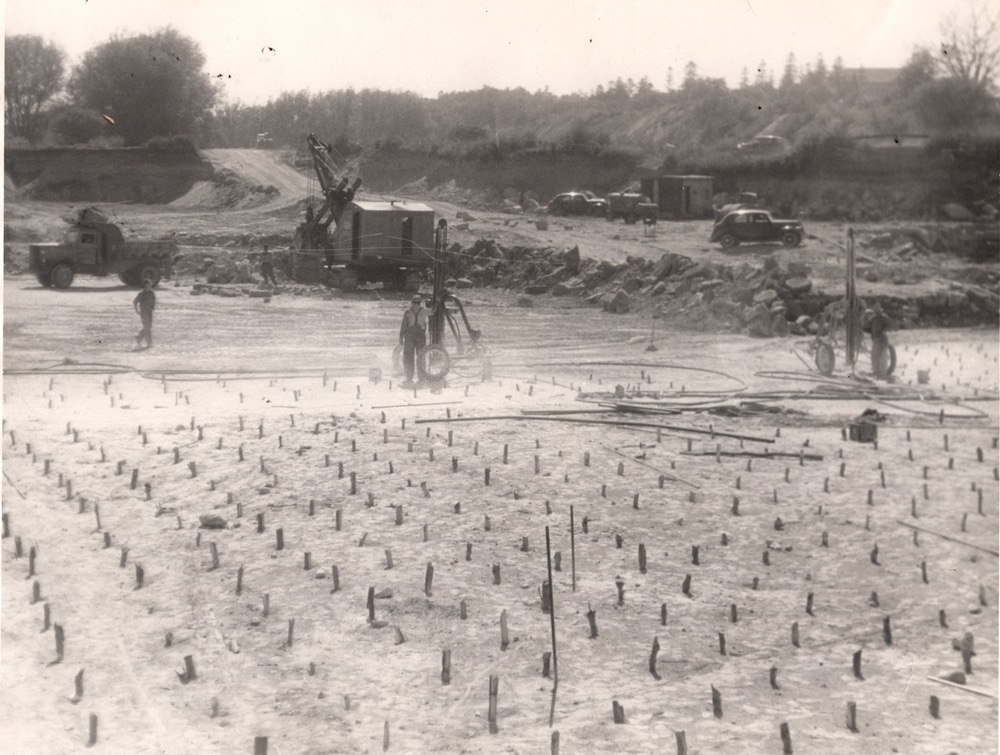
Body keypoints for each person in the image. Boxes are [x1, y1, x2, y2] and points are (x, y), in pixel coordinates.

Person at [399, 294, 427, 387]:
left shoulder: (424, 311)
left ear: (419, 303)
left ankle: (421, 378)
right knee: (408, 358)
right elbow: (403, 326)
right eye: (415, 303)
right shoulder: (407, 312)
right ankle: (409, 378)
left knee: (421, 357)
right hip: (410, 336)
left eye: (417, 303)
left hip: (419, 337)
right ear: (412, 303)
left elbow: (433, 312)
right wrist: (401, 337)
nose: (416, 305)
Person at [868, 302, 891, 379]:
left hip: (882, 340)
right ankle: (877, 373)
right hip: (876, 340)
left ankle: (882, 375)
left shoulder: (884, 317)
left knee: (883, 357)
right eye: (875, 311)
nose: (876, 312)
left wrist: (884, 330)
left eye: (877, 310)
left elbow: (890, 326)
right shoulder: (873, 319)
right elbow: (867, 327)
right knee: (875, 356)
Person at [133, 279, 156, 349]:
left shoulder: (151, 293)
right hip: (143, 312)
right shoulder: (141, 294)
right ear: (145, 285)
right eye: (148, 284)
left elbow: (153, 300)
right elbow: (135, 302)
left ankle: (139, 338)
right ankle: (149, 343)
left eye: (150, 284)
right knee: (147, 327)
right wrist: (137, 310)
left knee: (148, 326)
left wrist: (153, 306)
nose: (149, 285)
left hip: (149, 311)